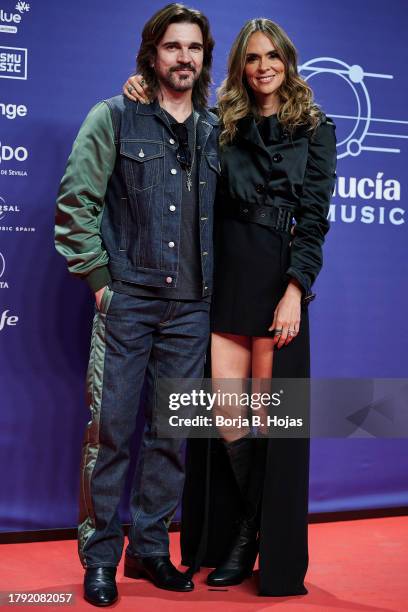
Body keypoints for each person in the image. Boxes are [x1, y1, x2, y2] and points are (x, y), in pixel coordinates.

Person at [124, 16, 337, 597]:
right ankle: (243, 530)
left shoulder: (317, 130)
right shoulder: (221, 127)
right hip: (222, 283)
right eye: (252, 57)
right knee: (226, 423)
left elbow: (314, 221)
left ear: (288, 62)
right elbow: (170, 116)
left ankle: (250, 539)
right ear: (240, 66)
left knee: (271, 425)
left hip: (276, 288)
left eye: (273, 56)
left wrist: (296, 290)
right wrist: (138, 87)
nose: (264, 66)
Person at [55, 4, 219, 606]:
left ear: (204, 57)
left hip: (192, 310)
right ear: (152, 53)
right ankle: (98, 558)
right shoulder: (114, 116)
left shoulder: (213, 131)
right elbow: (76, 204)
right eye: (173, 47)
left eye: (194, 48)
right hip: (127, 304)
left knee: (171, 437)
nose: (184, 58)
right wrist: (101, 281)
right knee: (113, 434)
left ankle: (150, 551)